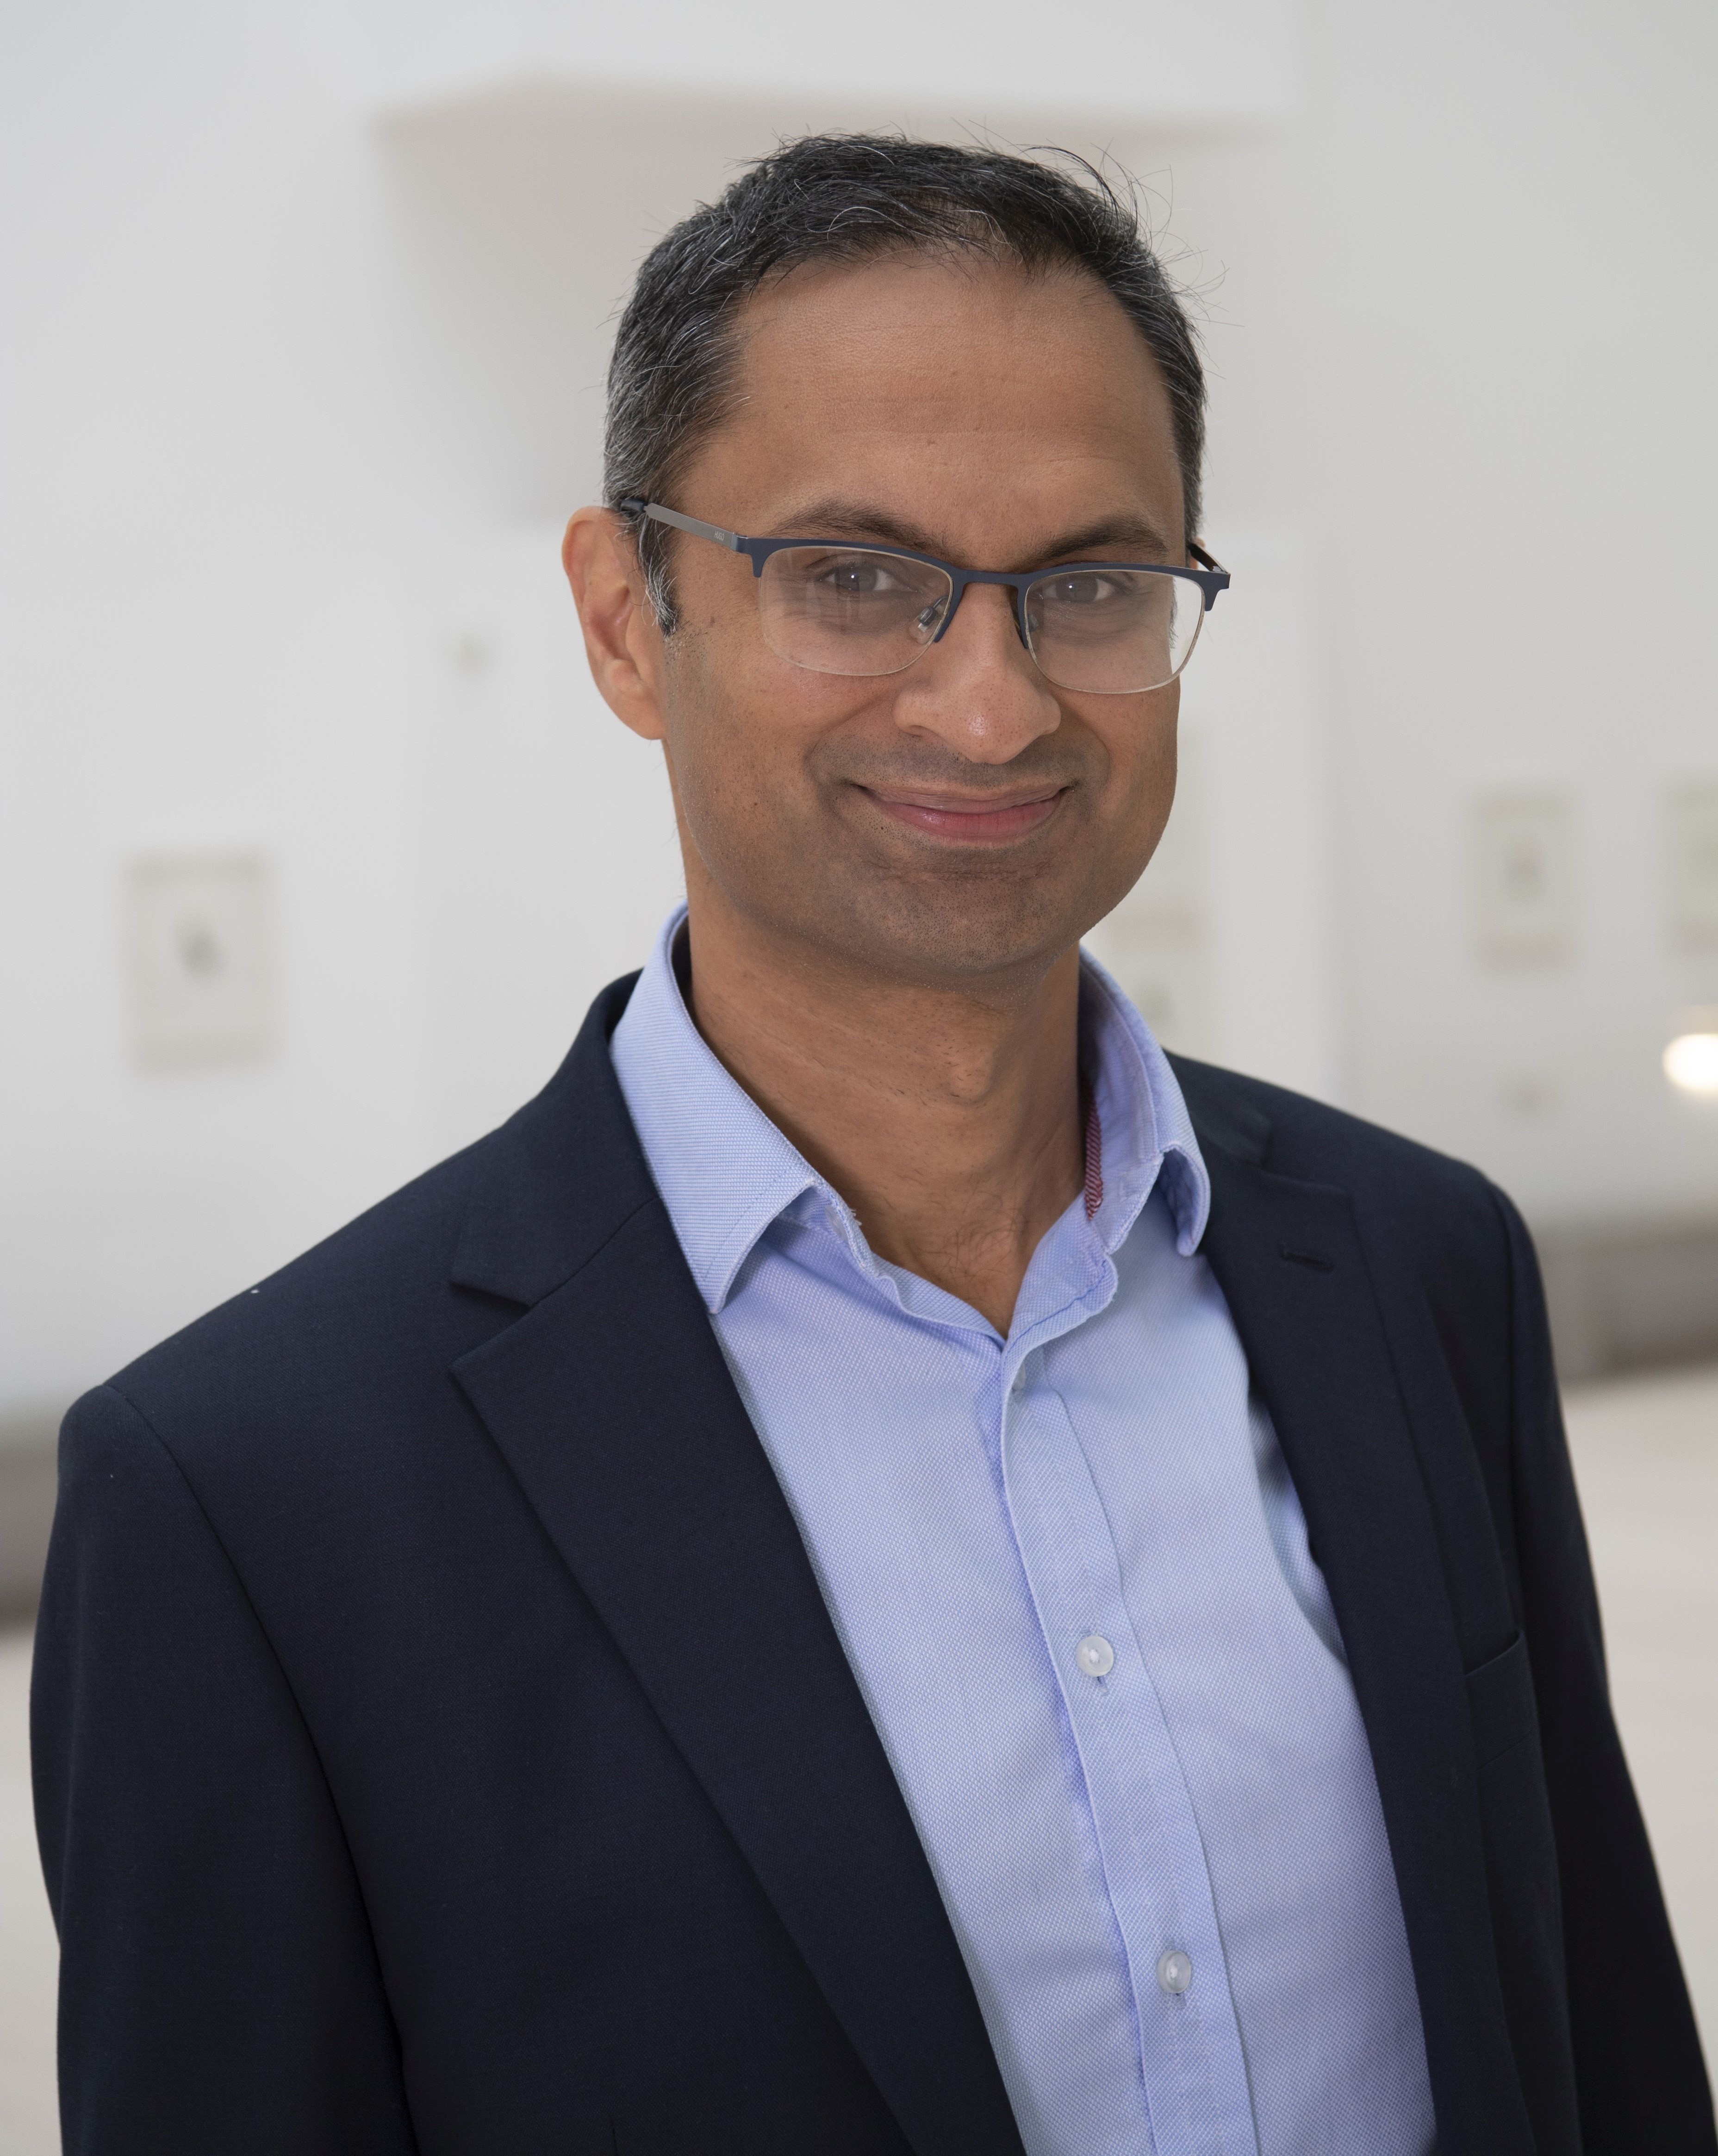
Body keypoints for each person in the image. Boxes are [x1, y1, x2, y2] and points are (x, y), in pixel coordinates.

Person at [31, 136, 1713, 2156]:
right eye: (855, 577)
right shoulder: (253, 1493)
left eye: (1090, 582)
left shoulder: (1423, 1265)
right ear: (623, 617)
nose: (993, 708)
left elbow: (1598, 2044)